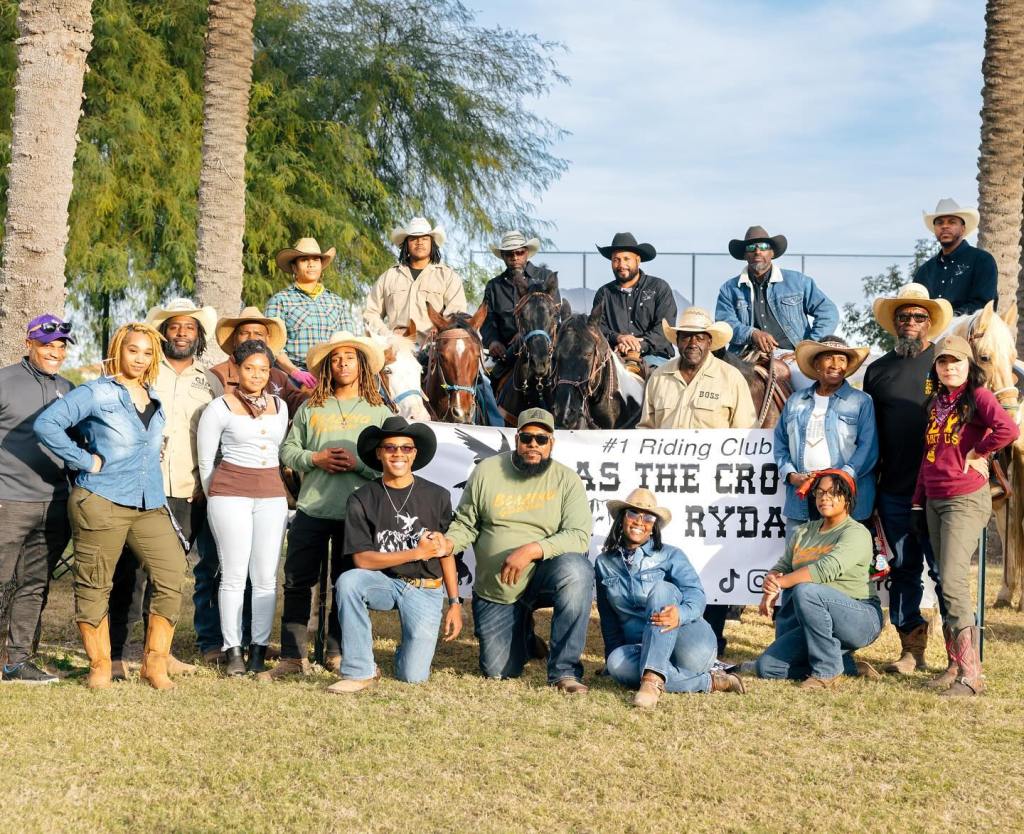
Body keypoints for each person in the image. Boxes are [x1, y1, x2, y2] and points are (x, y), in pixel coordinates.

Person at [34, 323, 187, 690]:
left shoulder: (154, 397)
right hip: (101, 499)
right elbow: (47, 424)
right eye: (133, 349)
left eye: (148, 352)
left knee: (171, 573)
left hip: (149, 502)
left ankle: (154, 665)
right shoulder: (96, 392)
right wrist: (84, 460)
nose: (140, 358)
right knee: (95, 584)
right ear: (119, 349)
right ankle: (100, 666)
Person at [264, 332, 393, 679]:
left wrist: (359, 466)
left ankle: (338, 652)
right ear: (327, 367)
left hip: (357, 512)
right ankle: (293, 657)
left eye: (350, 357)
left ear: (362, 364)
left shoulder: (379, 411)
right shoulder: (311, 407)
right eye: (336, 359)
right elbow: (288, 451)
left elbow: (389, 463)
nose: (343, 364)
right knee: (296, 581)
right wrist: (315, 458)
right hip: (312, 508)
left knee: (347, 584)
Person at [106, 299, 222, 676]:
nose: (182, 333)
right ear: (164, 333)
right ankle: (116, 653)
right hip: (139, 486)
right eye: (175, 327)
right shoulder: (145, 373)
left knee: (169, 573)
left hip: (189, 490)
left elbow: (217, 438)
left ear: (198, 335)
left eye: (190, 327)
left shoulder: (211, 381)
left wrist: (209, 480)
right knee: (130, 571)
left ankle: (160, 653)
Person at [441, 408, 594, 693]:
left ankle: (564, 672)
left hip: (544, 576)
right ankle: (523, 634)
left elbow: (578, 536)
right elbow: (465, 523)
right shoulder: (487, 471)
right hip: (499, 587)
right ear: (517, 439)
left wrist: (533, 549)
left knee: (578, 572)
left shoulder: (567, 480)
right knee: (498, 671)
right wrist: (449, 543)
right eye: (527, 438)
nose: (533, 445)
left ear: (552, 443)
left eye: (541, 439)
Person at [912, 335, 1018, 696]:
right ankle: (955, 663)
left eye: (956, 361)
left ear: (969, 365)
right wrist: (917, 501)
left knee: (954, 582)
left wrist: (978, 451)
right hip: (934, 498)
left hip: (964, 498)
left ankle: (971, 676)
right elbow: (927, 456)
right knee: (943, 580)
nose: (949, 367)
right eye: (943, 362)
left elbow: (1008, 429)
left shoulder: (979, 397)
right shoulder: (935, 403)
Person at [328, 417, 461, 694]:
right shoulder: (362, 498)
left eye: (405, 448)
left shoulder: (437, 495)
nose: (398, 454)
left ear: (415, 453)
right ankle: (360, 670)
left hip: (426, 588)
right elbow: (362, 560)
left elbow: (446, 552)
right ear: (379, 453)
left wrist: (455, 603)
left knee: (412, 676)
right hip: (385, 583)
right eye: (390, 447)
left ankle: (407, 650)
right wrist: (416, 552)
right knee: (349, 581)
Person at [862, 283, 953, 677]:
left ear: (929, 322)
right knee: (903, 570)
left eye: (918, 316)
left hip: (940, 489)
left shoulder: (947, 363)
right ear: (893, 323)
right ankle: (911, 652)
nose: (910, 322)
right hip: (895, 490)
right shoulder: (877, 371)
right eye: (903, 316)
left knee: (943, 570)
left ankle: (957, 657)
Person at [595, 488, 745, 709]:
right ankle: (711, 681)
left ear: (653, 525)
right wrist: (610, 660)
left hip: (691, 645)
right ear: (622, 518)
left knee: (662, 589)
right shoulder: (604, 563)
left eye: (648, 517)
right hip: (643, 647)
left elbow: (696, 595)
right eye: (633, 514)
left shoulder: (671, 555)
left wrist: (680, 614)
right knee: (617, 663)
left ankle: (652, 680)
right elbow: (608, 619)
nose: (640, 521)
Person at [197, 340, 290, 676]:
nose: (256, 375)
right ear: (235, 369)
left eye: (263, 369)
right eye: (249, 368)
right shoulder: (220, 407)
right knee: (234, 575)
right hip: (229, 493)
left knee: (265, 576)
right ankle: (232, 648)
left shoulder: (280, 407)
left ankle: (259, 649)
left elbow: (277, 453)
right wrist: (217, 497)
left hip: (270, 495)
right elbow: (207, 462)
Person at [753, 470, 883, 689]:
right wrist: (771, 583)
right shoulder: (804, 531)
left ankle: (827, 670)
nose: (825, 497)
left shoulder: (856, 533)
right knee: (767, 667)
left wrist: (781, 583)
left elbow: (825, 570)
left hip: (861, 618)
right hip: (818, 620)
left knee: (805, 589)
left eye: (833, 492)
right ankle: (847, 666)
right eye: (820, 492)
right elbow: (783, 566)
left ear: (848, 498)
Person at [0, 315, 75, 684]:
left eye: (61, 345)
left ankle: (16, 662)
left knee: (34, 584)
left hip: (55, 503)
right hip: (8, 501)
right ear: (28, 343)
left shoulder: (69, 387)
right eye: (48, 345)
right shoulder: (4, 381)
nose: (55, 352)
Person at [775, 336, 877, 538]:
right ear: (816, 364)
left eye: (842, 359)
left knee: (843, 563)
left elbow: (868, 448)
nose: (836, 365)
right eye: (829, 358)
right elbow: (780, 443)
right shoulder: (796, 401)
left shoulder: (861, 401)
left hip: (847, 499)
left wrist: (841, 478)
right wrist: (790, 474)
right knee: (798, 559)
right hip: (803, 497)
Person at [715, 225, 838, 390]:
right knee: (714, 390)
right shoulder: (729, 289)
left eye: (764, 247)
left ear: (772, 253)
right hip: (744, 356)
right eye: (751, 247)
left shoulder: (798, 282)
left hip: (791, 356)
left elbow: (829, 313)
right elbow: (724, 323)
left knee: (812, 392)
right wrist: (752, 334)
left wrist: (807, 349)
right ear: (745, 254)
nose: (758, 251)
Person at [265, 237, 363, 386]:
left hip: (332, 374)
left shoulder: (337, 302)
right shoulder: (280, 300)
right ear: (294, 267)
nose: (311, 264)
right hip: (291, 375)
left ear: (321, 265)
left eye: (316, 260)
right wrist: (294, 372)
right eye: (304, 260)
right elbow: (273, 344)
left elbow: (347, 341)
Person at [638, 307, 755, 430]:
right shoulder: (658, 377)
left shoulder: (732, 378)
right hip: (665, 449)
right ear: (677, 341)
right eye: (686, 337)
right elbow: (646, 429)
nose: (693, 344)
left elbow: (746, 432)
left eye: (700, 338)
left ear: (709, 343)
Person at [363, 217, 467, 337]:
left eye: (425, 238)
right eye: (413, 239)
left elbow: (456, 313)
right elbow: (370, 313)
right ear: (406, 244)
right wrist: (386, 335)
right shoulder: (388, 277)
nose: (419, 242)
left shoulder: (448, 276)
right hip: (396, 346)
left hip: (434, 347)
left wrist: (441, 327)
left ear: (432, 243)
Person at [590, 232, 676, 367]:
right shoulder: (604, 293)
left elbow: (665, 328)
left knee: (659, 385)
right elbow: (597, 327)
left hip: (654, 358)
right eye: (616, 260)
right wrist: (618, 338)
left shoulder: (659, 287)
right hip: (615, 357)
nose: (621, 264)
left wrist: (639, 346)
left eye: (626, 259)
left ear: (638, 260)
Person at [481, 230, 559, 375]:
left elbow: (555, 315)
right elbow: (487, 320)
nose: (515, 257)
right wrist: (493, 341)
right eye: (510, 254)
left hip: (544, 351)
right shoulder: (494, 286)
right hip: (506, 356)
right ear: (503, 257)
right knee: (486, 387)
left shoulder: (545, 277)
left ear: (527, 253)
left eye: (519, 253)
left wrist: (525, 333)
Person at [209, 306, 308, 417]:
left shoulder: (278, 376)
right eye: (245, 333)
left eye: (259, 334)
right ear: (234, 339)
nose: (252, 338)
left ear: (267, 339)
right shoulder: (216, 375)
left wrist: (315, 390)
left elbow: (301, 406)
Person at [914, 198, 997, 316]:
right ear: (935, 229)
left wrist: (949, 318)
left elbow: (984, 305)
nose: (944, 226)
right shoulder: (925, 271)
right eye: (940, 223)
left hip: (967, 331)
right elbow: (915, 306)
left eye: (952, 222)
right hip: (930, 332)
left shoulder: (982, 260)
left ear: (963, 229)